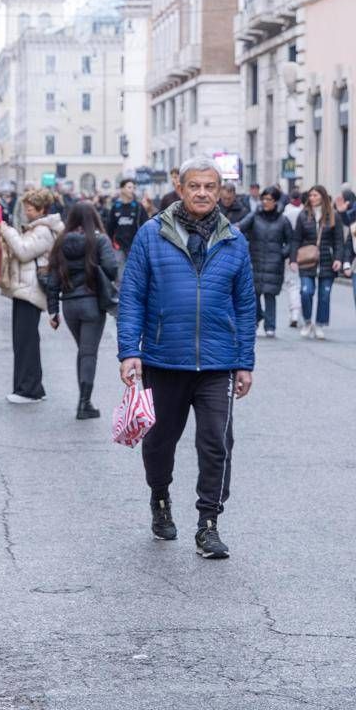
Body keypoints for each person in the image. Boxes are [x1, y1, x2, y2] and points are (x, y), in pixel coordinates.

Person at [117, 156, 255, 560]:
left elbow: (245, 307)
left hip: (217, 363)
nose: (202, 193)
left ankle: (208, 524)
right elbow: (132, 297)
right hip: (164, 359)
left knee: (217, 443)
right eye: (194, 185)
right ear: (180, 188)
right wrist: (129, 351)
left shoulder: (234, 240)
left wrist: (245, 362)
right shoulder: (151, 234)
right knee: (159, 443)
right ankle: (160, 497)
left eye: (210, 186)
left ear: (220, 191)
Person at [46, 201, 118, 419]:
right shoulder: (99, 240)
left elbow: (52, 280)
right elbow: (112, 269)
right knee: (88, 353)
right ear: (94, 217)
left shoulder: (60, 242)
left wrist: (53, 311)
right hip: (92, 303)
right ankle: (84, 403)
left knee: (83, 351)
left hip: (69, 305)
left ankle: (84, 401)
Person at [0, 188, 64, 404]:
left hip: (31, 290)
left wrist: (7, 231)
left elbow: (24, 251)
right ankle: (28, 388)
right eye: (26, 208)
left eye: (31, 209)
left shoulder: (43, 230)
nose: (27, 212)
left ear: (42, 209)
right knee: (23, 340)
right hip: (25, 289)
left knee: (26, 341)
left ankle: (29, 389)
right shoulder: (37, 228)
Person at [291, 184, 345, 340]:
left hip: (327, 261)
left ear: (323, 196)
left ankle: (320, 324)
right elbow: (296, 239)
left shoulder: (333, 216)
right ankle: (308, 321)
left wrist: (338, 259)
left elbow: (339, 240)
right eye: (310, 195)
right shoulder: (303, 215)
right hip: (307, 260)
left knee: (324, 295)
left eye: (315, 195)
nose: (312, 198)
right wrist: (293, 259)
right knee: (306, 291)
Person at [237, 187, 292, 337]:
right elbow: (240, 227)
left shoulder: (283, 220)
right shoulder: (255, 216)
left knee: (270, 295)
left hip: (274, 263)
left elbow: (290, 241)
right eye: (264, 199)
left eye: (269, 199)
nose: (265, 202)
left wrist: (282, 254)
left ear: (276, 201)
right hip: (255, 261)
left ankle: (270, 326)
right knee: (253, 294)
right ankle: (257, 318)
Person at [106, 177, 148, 269]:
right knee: (120, 273)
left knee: (134, 272)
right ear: (122, 189)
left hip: (134, 247)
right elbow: (109, 227)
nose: (132, 190)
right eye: (129, 187)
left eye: (133, 188)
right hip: (118, 247)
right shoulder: (115, 207)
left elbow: (145, 225)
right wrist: (112, 243)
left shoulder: (138, 207)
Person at [282, 189, 304, 327]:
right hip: (305, 252)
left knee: (292, 284)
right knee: (303, 283)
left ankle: (294, 312)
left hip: (290, 251)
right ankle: (300, 312)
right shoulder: (305, 211)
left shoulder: (286, 212)